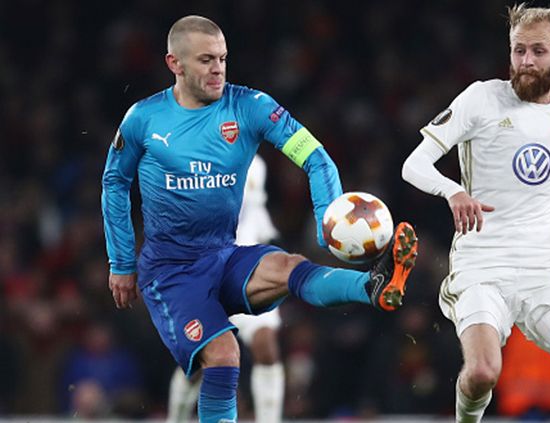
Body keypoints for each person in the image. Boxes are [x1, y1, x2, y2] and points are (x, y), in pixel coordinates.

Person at [101, 15, 418, 423]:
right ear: (174, 64)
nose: (218, 68)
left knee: (289, 267)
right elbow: (115, 183)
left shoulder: (251, 106)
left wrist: (329, 223)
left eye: (222, 58)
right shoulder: (143, 119)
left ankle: (374, 286)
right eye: (205, 60)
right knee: (224, 354)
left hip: (223, 255)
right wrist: (121, 262)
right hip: (170, 272)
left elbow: (316, 157)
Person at [401, 4, 550, 423]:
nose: (525, 62)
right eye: (518, 51)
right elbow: (413, 165)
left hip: (546, 265)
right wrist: (454, 191)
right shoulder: (481, 98)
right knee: (483, 372)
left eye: (538, 52)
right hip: (483, 262)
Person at [167, 156, 285, 423]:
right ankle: (176, 418)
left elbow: (257, 219)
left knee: (265, 343)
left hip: (249, 274)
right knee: (199, 361)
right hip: (205, 276)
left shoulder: (257, 164)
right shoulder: (194, 160)